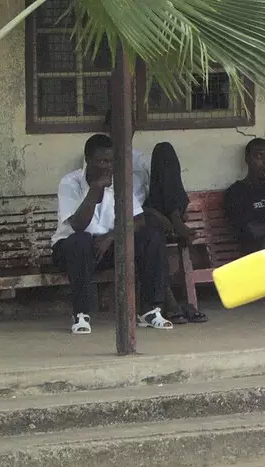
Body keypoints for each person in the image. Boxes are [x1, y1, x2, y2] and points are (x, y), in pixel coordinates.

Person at [51, 134, 175, 337]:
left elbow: (139, 220)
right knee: (80, 241)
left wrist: (111, 237)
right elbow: (78, 225)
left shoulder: (119, 183)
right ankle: (81, 314)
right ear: (88, 160)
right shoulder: (70, 182)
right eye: (102, 161)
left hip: (107, 246)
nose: (109, 166)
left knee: (151, 234)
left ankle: (150, 310)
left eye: (112, 161)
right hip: (71, 249)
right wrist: (96, 188)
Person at [143, 142, 207, 324]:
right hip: (137, 215)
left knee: (164, 150)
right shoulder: (106, 160)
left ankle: (174, 216)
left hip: (157, 206)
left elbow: (162, 183)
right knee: (151, 229)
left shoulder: (139, 158)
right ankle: (171, 300)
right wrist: (154, 214)